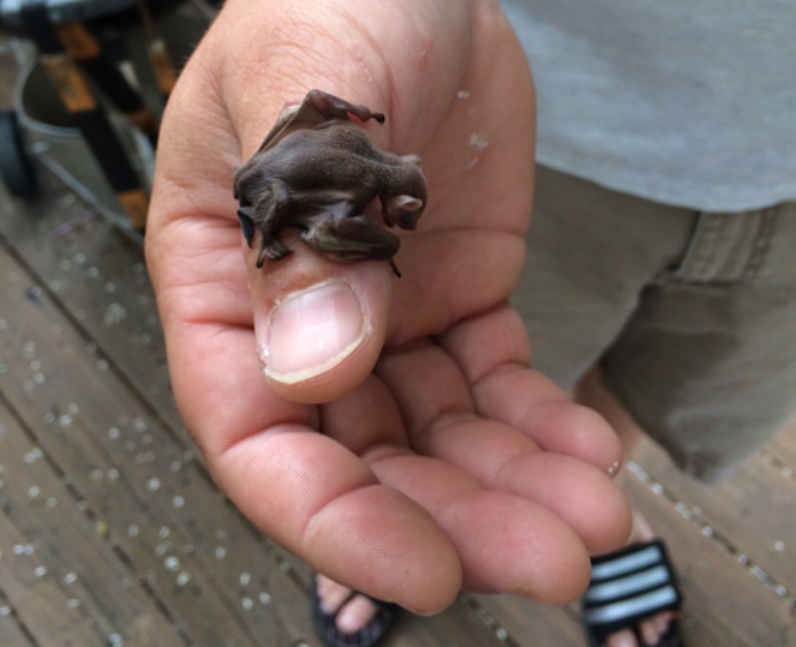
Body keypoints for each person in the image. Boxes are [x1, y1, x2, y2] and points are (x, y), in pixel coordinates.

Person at [145, 2, 796, 647]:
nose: (395, 218)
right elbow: (305, 192)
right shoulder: (375, 188)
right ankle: (386, 508)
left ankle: (602, 486)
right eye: (395, 211)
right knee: (445, 369)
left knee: (626, 383)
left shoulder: (373, 179)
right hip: (513, 117)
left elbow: (321, 140)